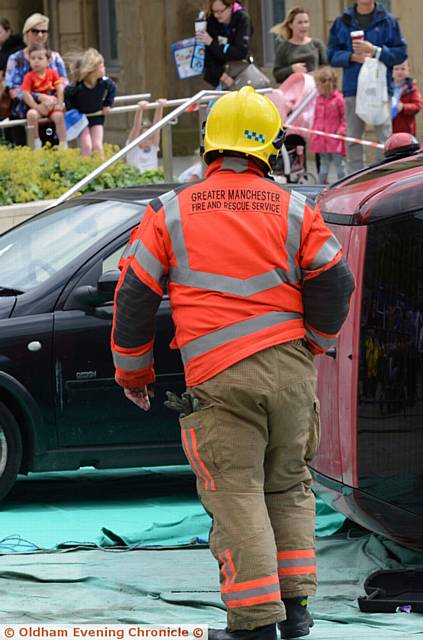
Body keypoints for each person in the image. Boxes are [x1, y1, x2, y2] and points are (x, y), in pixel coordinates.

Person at [111, 85, 355, 640]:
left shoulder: (169, 212)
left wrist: (134, 374)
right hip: (292, 373)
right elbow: (335, 281)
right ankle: (294, 612)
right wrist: (314, 341)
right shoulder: (296, 209)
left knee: (236, 492)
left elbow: (134, 296)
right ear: (269, 150)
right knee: (288, 485)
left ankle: (252, 624)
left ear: (208, 146)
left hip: (220, 377)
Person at [327, 0, 407, 173]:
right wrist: (351, 57)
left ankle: (383, 176)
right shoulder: (343, 20)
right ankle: (355, 180)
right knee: (353, 139)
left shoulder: (387, 20)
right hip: (353, 87)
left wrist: (375, 51)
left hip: (380, 89)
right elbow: (331, 55)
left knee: (385, 139)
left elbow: (401, 53)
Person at [5, 12, 67, 146]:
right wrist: (39, 98)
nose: (40, 35)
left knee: (53, 152)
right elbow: (14, 90)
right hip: (23, 115)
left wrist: (52, 101)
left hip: (50, 114)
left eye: (43, 31)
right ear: (27, 33)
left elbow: (63, 83)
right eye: (35, 31)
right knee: (27, 155)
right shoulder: (15, 58)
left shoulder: (54, 57)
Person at [64, 48, 116, 156]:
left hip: (96, 116)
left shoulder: (104, 82)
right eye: (101, 66)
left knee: (97, 145)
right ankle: (86, 169)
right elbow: (67, 95)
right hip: (82, 118)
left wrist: (107, 104)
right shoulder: (78, 86)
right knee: (87, 145)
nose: (104, 68)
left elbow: (112, 89)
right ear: (92, 69)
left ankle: (102, 169)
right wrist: (72, 109)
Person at [196, 0, 252, 89]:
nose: (216, 15)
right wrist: (224, 77)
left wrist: (212, 43)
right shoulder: (210, 20)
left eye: (220, 11)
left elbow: (241, 52)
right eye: (214, 11)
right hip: (219, 77)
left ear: (230, 7)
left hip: (241, 72)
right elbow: (207, 57)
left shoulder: (242, 18)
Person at [20, 44, 67, 149]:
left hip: (52, 107)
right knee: (31, 115)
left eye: (40, 58)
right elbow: (25, 93)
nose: (36, 61)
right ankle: (36, 142)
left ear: (48, 61)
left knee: (59, 117)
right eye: (33, 58)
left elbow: (60, 88)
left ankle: (63, 143)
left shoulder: (53, 73)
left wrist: (59, 103)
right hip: (38, 107)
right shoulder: (29, 77)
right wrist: (36, 107)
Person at [272, 7, 327, 84]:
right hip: (292, 91)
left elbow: (326, 70)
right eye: (300, 22)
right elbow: (277, 75)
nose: (304, 26)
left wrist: (317, 74)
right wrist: (291, 69)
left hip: (315, 89)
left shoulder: (317, 44)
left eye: (306, 22)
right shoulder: (283, 47)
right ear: (291, 25)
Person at [310, 66, 346, 184]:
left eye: (318, 85)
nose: (317, 88)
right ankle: (321, 187)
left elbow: (344, 118)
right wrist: (315, 133)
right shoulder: (319, 100)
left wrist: (341, 130)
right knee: (323, 165)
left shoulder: (339, 99)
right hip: (322, 140)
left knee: (339, 165)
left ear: (325, 84)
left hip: (335, 139)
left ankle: (343, 185)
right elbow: (316, 118)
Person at [125, 98, 166, 172]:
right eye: (143, 138)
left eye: (149, 138)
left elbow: (157, 127)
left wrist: (160, 107)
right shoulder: (132, 147)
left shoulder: (153, 146)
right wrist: (139, 109)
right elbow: (136, 127)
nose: (147, 141)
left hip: (152, 179)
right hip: (137, 180)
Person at [391, 60, 423, 136]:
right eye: (396, 69)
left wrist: (403, 107)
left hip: (406, 129)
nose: (399, 72)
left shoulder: (412, 88)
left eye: (403, 69)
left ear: (408, 71)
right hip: (389, 128)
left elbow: (418, 105)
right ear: (391, 71)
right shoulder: (386, 87)